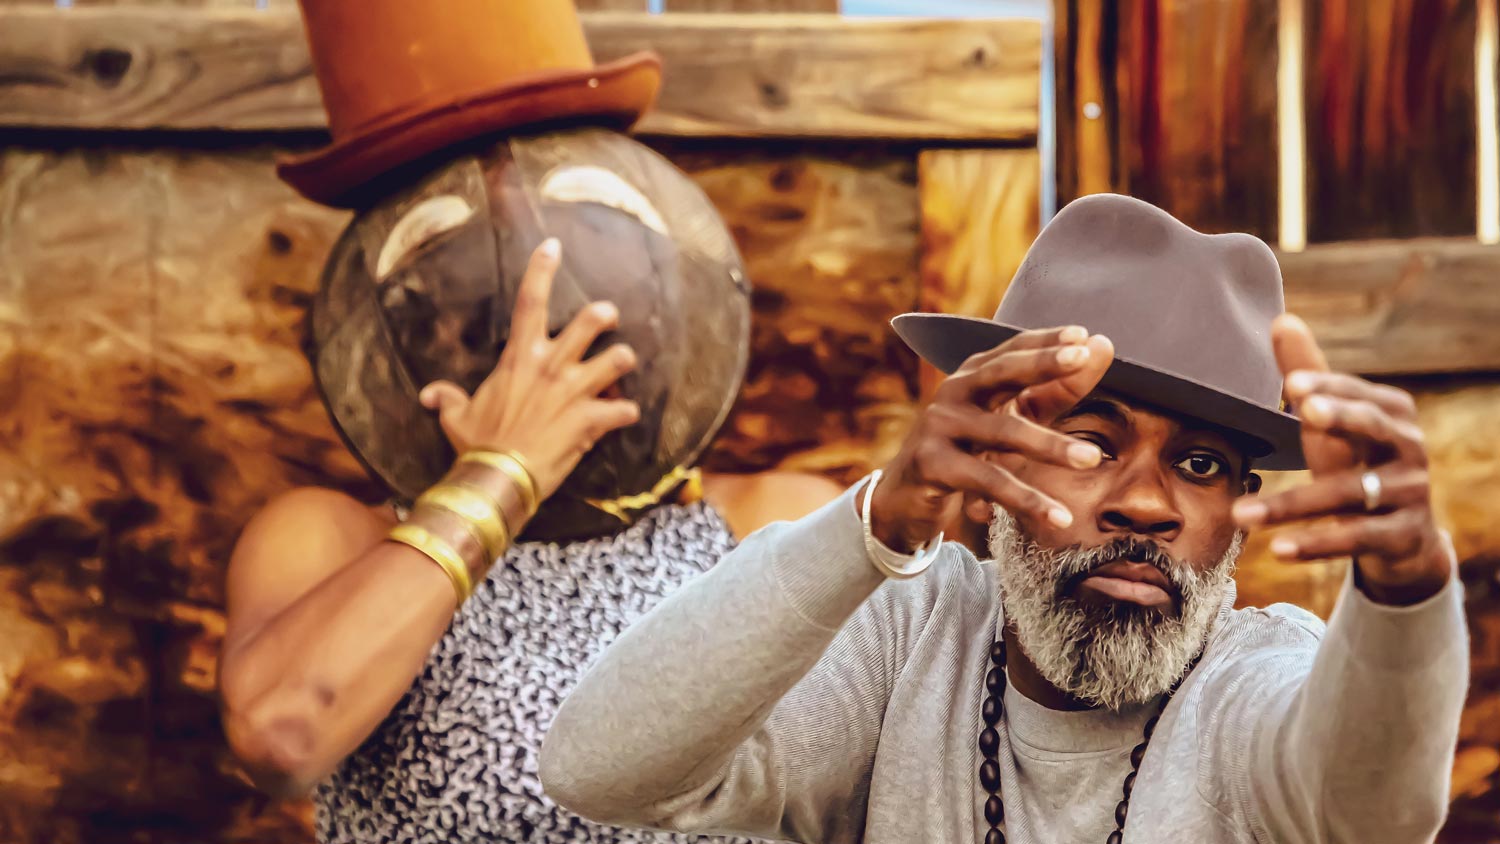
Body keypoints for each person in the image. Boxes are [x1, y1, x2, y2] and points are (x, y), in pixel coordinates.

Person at [540, 194, 1469, 844]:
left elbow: (1372, 816)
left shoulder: (1251, 684)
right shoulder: (906, 640)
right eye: (1093, 442)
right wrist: (873, 522)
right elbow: (600, 768)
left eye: (1199, 464)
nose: (1145, 503)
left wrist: (1406, 592)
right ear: (989, 467)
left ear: (1237, 520)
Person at [219, 240, 838, 843]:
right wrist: (502, 471)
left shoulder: (772, 522)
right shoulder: (336, 537)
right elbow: (285, 736)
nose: (542, 365)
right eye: (491, 334)